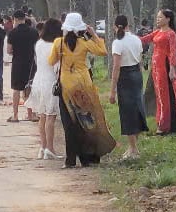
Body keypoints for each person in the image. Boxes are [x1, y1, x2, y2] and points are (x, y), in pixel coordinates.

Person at [50, 13, 116, 168]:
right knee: (86, 122)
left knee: (69, 124)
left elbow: (50, 61)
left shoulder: (58, 43)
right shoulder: (84, 43)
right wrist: (93, 34)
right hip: (84, 85)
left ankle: (70, 160)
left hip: (66, 87)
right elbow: (102, 51)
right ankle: (87, 158)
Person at [140, 9, 176, 135]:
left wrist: (172, 70)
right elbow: (145, 39)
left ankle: (166, 124)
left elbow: (172, 53)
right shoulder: (158, 32)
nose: (158, 19)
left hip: (164, 67)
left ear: (168, 19)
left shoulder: (171, 34)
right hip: (156, 68)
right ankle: (161, 120)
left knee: (164, 95)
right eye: (157, 17)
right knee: (159, 95)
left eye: (160, 17)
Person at [109, 15, 148, 160]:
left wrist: (112, 90)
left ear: (115, 26)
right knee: (137, 109)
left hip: (125, 77)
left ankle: (133, 148)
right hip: (136, 75)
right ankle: (132, 147)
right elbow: (140, 60)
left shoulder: (117, 43)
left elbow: (116, 68)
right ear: (128, 25)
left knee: (127, 112)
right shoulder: (136, 39)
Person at [24, 18, 62, 160]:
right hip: (50, 81)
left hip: (38, 80)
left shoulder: (39, 43)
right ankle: (50, 148)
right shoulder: (56, 45)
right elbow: (56, 66)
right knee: (51, 116)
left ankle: (43, 147)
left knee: (42, 116)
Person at [6, 10, 39, 123]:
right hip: (31, 63)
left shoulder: (12, 33)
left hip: (17, 63)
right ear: (24, 18)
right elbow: (37, 48)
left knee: (16, 89)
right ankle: (31, 114)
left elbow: (9, 50)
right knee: (29, 88)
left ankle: (15, 115)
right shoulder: (33, 32)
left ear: (14, 19)